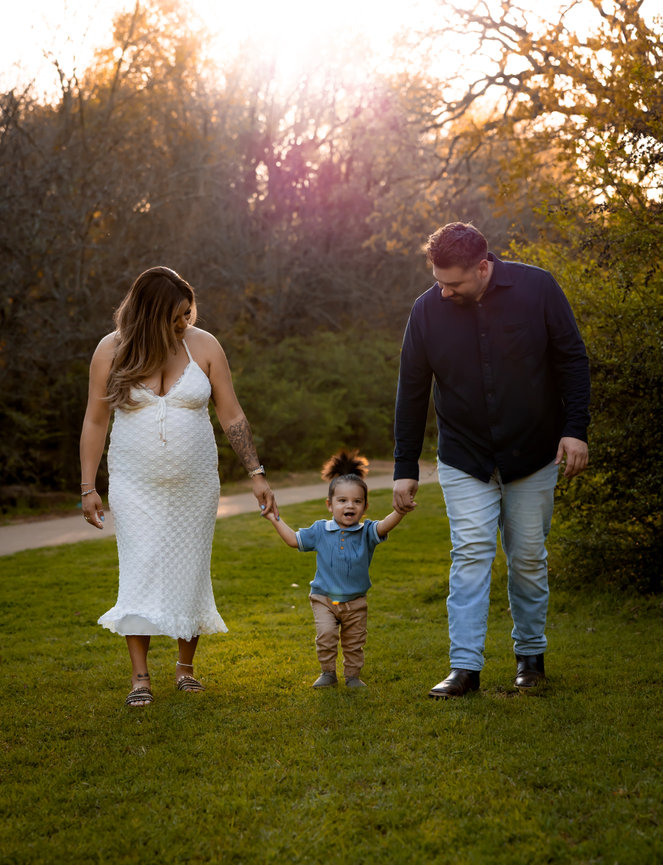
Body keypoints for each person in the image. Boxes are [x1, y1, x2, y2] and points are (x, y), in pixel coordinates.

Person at [392, 222, 590, 699]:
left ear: (483, 268)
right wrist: (405, 466)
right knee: (471, 554)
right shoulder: (425, 311)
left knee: (526, 558)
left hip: (534, 452)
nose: (443, 291)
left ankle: (530, 660)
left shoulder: (537, 288)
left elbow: (572, 359)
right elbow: (412, 391)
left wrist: (575, 430)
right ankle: (465, 668)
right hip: (465, 456)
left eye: (453, 282)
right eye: (438, 279)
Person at [80, 266, 277, 707]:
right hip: (133, 483)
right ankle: (140, 678)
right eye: (175, 315)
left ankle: (185, 669)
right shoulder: (111, 351)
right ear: (150, 314)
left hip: (195, 484)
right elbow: (96, 420)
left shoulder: (204, 345)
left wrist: (256, 473)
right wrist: (87, 485)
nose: (184, 322)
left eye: (188, 313)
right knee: (139, 567)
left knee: (190, 568)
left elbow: (231, 413)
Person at [263, 450, 407, 689]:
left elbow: (384, 526)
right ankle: (328, 673)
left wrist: (400, 511)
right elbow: (293, 540)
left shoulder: (366, 533)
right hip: (324, 599)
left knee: (354, 642)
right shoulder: (320, 531)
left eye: (357, 501)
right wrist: (273, 518)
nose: (349, 506)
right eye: (342, 501)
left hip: (356, 602)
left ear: (365, 506)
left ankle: (352, 677)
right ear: (330, 505)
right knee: (327, 636)